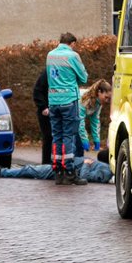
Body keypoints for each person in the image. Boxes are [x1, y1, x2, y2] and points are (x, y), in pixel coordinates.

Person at [46, 32, 87, 185]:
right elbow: (83, 78)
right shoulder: (73, 56)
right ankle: (70, 172)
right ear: (72, 43)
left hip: (53, 101)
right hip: (69, 100)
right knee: (69, 136)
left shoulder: (50, 55)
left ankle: (58, 172)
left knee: (56, 136)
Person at [0, 149, 111, 183]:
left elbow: (85, 177)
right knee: (31, 170)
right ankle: (3, 171)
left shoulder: (105, 171)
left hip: (65, 170)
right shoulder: (103, 166)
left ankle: (1, 172)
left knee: (30, 170)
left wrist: (85, 164)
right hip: (65, 166)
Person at [78, 78, 112, 154]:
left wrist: (97, 140)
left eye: (109, 98)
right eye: (106, 97)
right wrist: (84, 140)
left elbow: (95, 121)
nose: (106, 100)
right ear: (99, 92)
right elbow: (80, 121)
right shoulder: (85, 99)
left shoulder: (98, 103)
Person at [32, 69, 52, 166]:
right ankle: (46, 163)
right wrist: (43, 107)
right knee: (48, 137)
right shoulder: (48, 73)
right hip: (46, 111)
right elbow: (37, 91)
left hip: (58, 109)